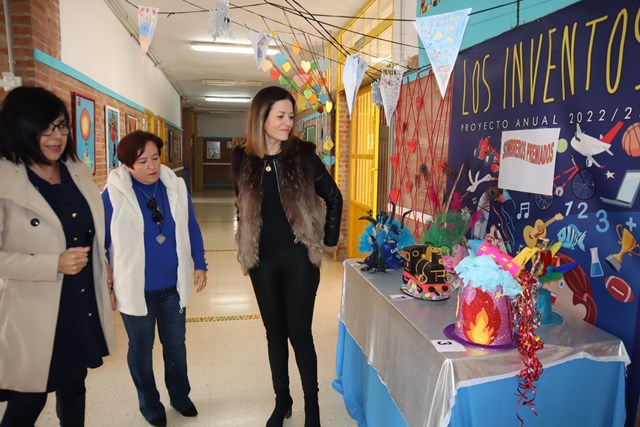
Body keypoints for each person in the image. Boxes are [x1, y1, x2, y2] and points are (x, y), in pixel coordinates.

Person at [0, 86, 115, 426]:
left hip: (79, 301)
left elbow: (90, 232)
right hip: (35, 309)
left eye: (62, 126)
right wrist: (53, 263)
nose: (57, 137)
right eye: (45, 128)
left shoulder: (75, 171)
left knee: (74, 386)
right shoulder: (6, 181)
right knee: (28, 400)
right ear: (21, 128)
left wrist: (103, 267)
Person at [231, 86, 343, 427]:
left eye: (290, 116)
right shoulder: (241, 158)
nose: (287, 122)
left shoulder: (304, 155)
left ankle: (313, 408)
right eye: (280, 116)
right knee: (274, 333)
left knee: (300, 333)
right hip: (261, 260)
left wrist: (326, 239)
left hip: (298, 260)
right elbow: (242, 204)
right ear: (260, 118)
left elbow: (334, 197)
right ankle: (283, 402)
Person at [102, 130, 207, 427]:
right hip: (135, 289)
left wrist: (200, 264)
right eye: (142, 161)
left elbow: (192, 227)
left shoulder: (175, 187)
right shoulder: (112, 195)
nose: (151, 167)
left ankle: (179, 396)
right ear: (126, 165)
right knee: (141, 349)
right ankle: (150, 403)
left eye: (155, 158)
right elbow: (98, 242)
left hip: (172, 287)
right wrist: (106, 280)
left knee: (176, 345)